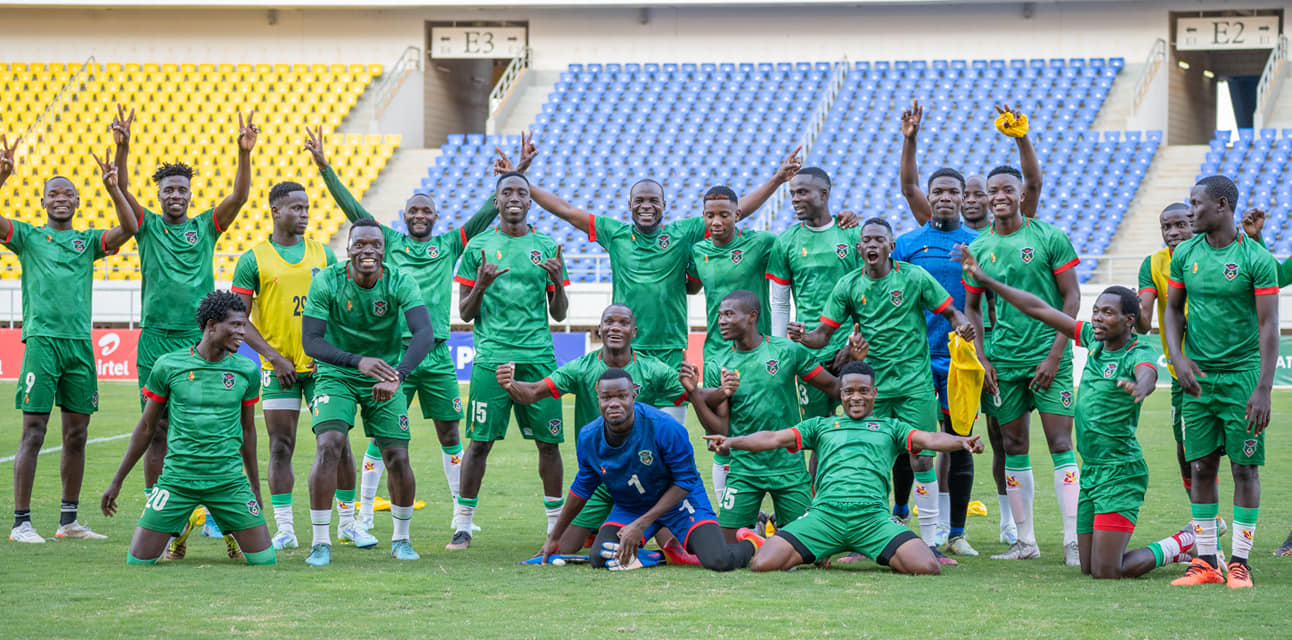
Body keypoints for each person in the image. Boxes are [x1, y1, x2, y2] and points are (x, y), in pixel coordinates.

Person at [307, 129, 523, 535]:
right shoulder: (385, 242)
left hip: (436, 352)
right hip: (396, 353)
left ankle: (461, 514)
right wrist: (325, 169)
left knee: (450, 432)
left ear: (436, 217)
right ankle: (364, 515)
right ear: (403, 217)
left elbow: (486, 214)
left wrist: (512, 177)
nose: (420, 215)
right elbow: (354, 210)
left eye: (427, 211)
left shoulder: (450, 245)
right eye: (413, 211)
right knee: (381, 436)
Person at [960, 253, 1197, 579]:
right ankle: (1177, 547)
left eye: (1107, 313)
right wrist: (986, 280)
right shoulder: (1092, 341)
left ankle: (1183, 541)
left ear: (1129, 320)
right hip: (1093, 472)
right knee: (1088, 567)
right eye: (1096, 311)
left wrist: (1142, 386)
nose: (1097, 318)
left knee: (1107, 571)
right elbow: (1037, 308)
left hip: (1120, 472)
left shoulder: (1137, 351)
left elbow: (1148, 372)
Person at [111, 105, 257, 557]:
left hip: (202, 341)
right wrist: (122, 148)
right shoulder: (145, 226)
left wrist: (244, 153)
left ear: (191, 195)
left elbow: (239, 197)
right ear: (158, 196)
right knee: (157, 430)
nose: (175, 195)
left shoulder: (205, 227)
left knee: (217, 428)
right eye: (168, 189)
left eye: (181, 189)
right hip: (155, 340)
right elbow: (122, 190)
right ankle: (164, 521)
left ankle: (226, 520)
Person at [792, 218, 974, 564]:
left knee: (922, 457)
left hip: (914, 384)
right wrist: (803, 336)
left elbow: (951, 312)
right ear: (859, 248)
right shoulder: (848, 285)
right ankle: (865, 539)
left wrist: (963, 325)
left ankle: (930, 543)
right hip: (871, 390)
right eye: (867, 240)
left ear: (892, 247)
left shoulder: (914, 277)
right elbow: (822, 336)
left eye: (879, 240)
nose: (872, 245)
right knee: (867, 457)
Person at [706, 361, 985, 575]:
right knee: (763, 564)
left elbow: (930, 438)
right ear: (840, 394)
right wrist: (731, 441)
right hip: (825, 516)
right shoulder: (821, 425)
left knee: (926, 566)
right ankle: (782, 544)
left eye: (863, 391)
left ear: (874, 393)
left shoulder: (892, 428)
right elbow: (773, 438)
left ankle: (865, 548)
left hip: (872, 518)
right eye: (849, 391)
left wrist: (962, 442)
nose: (856, 397)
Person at [498, 304, 725, 560]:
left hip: (646, 473)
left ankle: (663, 537)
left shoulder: (653, 369)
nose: (615, 328)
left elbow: (699, 396)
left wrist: (723, 391)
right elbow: (533, 392)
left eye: (623, 323)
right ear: (599, 329)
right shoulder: (580, 368)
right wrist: (510, 385)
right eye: (609, 322)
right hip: (601, 475)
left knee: (674, 533)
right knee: (565, 547)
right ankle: (629, 539)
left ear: (634, 331)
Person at [5, 136, 137, 543]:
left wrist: (114, 188)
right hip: (43, 342)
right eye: (53, 194)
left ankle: (68, 522)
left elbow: (130, 228)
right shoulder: (27, 237)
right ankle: (21, 524)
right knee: (33, 432)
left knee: (77, 435)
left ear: (78, 201)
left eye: (68, 194)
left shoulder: (88, 242)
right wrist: (2, 175)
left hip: (79, 345)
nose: (60, 199)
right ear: (43, 202)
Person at [961, 128, 1081, 564]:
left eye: (1007, 189)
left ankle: (1072, 541)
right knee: (1013, 447)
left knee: (1061, 443)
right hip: (1004, 360)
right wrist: (983, 357)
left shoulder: (1049, 237)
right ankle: (1025, 542)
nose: (998, 196)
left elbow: (1071, 299)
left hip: (1048, 357)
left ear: (1021, 195)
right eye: (992, 191)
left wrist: (1054, 355)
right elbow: (972, 308)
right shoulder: (979, 246)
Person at [99, 291, 274, 566]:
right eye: (236, 325)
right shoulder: (169, 366)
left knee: (265, 561)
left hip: (228, 481)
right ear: (212, 325)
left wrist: (254, 485)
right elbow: (146, 427)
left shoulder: (247, 370)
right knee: (138, 562)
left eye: (244, 325)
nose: (243, 332)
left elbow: (248, 431)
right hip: (177, 481)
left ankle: (223, 523)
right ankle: (184, 521)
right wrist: (117, 481)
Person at [300, 218, 435, 566]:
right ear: (348, 249)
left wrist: (398, 376)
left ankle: (401, 539)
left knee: (397, 457)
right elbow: (311, 341)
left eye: (375, 244)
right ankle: (320, 542)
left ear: (384, 249)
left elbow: (424, 334)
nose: (368, 250)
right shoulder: (327, 280)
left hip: (385, 375)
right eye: (359, 244)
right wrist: (356, 361)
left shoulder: (400, 281)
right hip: (337, 374)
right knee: (329, 444)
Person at [1165, 176, 1278, 589]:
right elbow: (1173, 311)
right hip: (1198, 380)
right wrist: (1178, 358)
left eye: (1196, 203)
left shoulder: (1255, 258)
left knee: (1244, 468)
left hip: (1242, 378)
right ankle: (1206, 561)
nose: (1190, 211)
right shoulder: (1185, 254)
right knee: (1200, 466)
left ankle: (1240, 563)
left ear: (1222, 206)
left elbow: (1269, 326)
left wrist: (1263, 388)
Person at [450, 171, 569, 550]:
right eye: (507, 192)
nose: (514, 197)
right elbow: (465, 313)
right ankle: (462, 525)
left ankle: (555, 527)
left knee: (548, 444)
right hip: (492, 358)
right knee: (479, 443)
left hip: (539, 358)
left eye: (521, 192)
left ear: (530, 201)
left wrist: (557, 281)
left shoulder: (546, 245)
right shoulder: (478, 247)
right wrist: (481, 286)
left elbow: (560, 313)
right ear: (497, 201)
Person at [541, 369, 758, 571]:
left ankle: (753, 542)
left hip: (682, 502)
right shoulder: (589, 436)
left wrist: (640, 525)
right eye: (606, 398)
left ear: (633, 396)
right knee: (600, 557)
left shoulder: (665, 426)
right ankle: (666, 556)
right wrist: (554, 537)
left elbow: (685, 481)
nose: (614, 403)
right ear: (598, 399)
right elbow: (582, 488)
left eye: (621, 396)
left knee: (718, 560)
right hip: (632, 506)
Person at [893, 99, 984, 557]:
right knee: (908, 443)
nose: (945, 197)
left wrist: (984, 353)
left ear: (965, 199)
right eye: (938, 191)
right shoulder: (908, 243)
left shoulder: (978, 243)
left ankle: (956, 532)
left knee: (960, 443)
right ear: (929, 197)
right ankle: (898, 515)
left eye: (953, 192)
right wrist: (910, 139)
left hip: (959, 360)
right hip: (912, 359)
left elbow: (984, 303)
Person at [231, 181, 338, 550]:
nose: (304, 214)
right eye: (296, 208)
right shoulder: (253, 259)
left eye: (306, 208)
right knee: (280, 446)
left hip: (322, 367)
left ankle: (349, 524)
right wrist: (274, 358)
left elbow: (340, 309)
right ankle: (285, 529)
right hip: (278, 370)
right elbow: (239, 319)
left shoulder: (324, 254)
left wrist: (332, 352)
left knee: (335, 443)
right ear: (276, 211)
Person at [696, 290, 843, 543]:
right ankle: (759, 533)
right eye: (720, 315)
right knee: (726, 550)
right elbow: (720, 429)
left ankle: (772, 529)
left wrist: (858, 366)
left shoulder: (787, 350)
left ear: (752, 316)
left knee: (811, 551)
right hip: (744, 469)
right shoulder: (717, 364)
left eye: (729, 314)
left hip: (789, 467)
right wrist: (705, 393)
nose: (721, 321)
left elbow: (833, 387)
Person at [766, 166, 861, 421]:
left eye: (802, 192)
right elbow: (780, 302)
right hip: (808, 352)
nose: (795, 199)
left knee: (861, 426)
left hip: (852, 348)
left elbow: (866, 296)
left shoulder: (851, 234)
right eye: (793, 194)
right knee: (816, 428)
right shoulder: (786, 241)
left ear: (824, 193)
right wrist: (781, 350)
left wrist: (852, 343)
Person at [686, 186, 778, 360]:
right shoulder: (698, 251)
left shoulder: (760, 243)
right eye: (710, 215)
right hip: (716, 350)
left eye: (724, 215)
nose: (716, 222)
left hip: (756, 348)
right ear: (703, 216)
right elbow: (692, 288)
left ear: (737, 215)